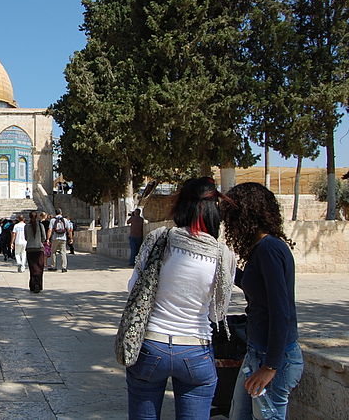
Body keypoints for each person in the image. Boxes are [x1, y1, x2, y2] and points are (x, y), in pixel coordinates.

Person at [125, 177, 236, 419]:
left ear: (181, 205)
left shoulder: (159, 238)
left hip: (151, 345)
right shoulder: (223, 255)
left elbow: (133, 287)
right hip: (196, 350)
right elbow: (217, 313)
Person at [221, 183, 303, 420]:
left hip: (274, 358)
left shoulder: (269, 248)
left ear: (245, 215)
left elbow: (281, 311)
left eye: (231, 216)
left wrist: (270, 367)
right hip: (256, 352)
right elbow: (254, 288)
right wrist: (225, 265)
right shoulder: (261, 249)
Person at [25, 211, 47, 293]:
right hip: (39, 248)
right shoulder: (40, 225)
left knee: (32, 268)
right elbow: (44, 237)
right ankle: (38, 284)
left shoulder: (26, 226)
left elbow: (26, 238)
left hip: (30, 249)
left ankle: (33, 285)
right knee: (39, 268)